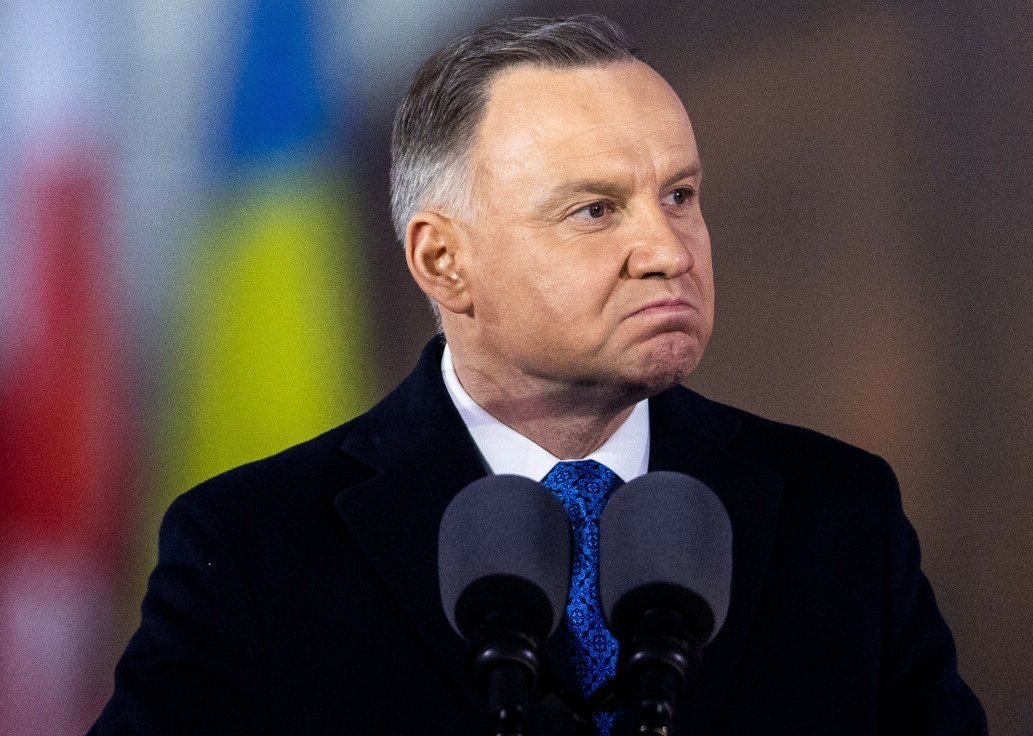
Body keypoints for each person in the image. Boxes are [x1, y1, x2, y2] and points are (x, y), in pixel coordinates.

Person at [90, 14, 986, 735]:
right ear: (443, 262)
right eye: (595, 210)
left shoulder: (841, 515)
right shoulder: (255, 548)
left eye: (679, 195)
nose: (668, 251)